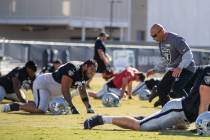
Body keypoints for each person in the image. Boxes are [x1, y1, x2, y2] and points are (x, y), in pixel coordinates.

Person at [84, 66, 210, 131]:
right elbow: (204, 103)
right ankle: (101, 119)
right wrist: (201, 127)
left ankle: (143, 118)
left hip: (185, 117)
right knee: (141, 126)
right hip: (178, 111)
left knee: (150, 122)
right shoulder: (209, 72)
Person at [1, 59, 98, 114]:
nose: (93, 72)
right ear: (85, 66)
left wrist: (88, 107)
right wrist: (72, 107)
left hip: (54, 91)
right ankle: (17, 106)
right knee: (41, 110)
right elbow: (65, 90)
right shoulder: (73, 69)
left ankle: (17, 105)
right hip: (43, 84)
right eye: (92, 69)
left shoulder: (84, 74)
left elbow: (82, 90)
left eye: (95, 70)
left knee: (53, 109)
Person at [146, 24, 196, 107]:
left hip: (187, 68)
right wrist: (155, 70)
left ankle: (190, 108)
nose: (154, 39)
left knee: (177, 88)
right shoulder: (161, 43)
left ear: (161, 31)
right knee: (161, 88)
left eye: (154, 35)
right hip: (175, 69)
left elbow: (188, 54)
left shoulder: (175, 39)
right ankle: (166, 109)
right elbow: (167, 59)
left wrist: (180, 67)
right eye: (152, 36)